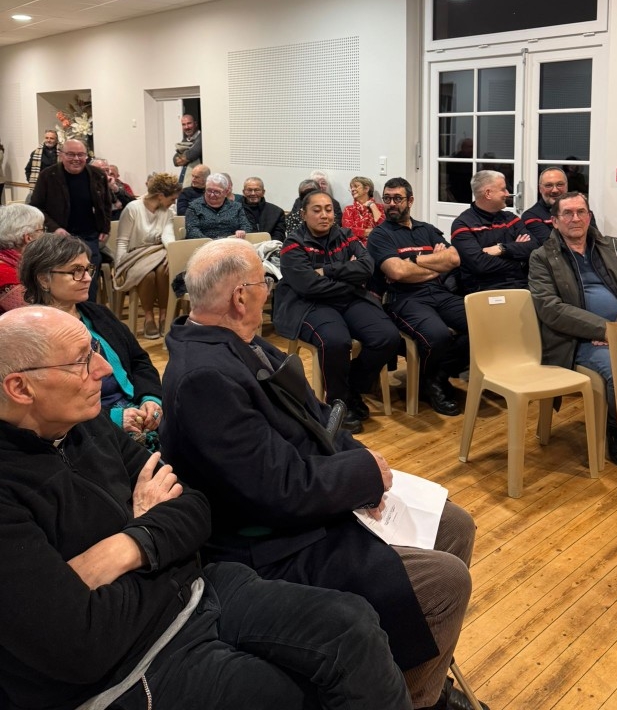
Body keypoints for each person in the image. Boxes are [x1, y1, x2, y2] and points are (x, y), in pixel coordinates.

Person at [0, 304, 412, 710]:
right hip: (127, 668)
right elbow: (82, 646)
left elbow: (196, 507)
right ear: (20, 388)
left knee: (352, 623)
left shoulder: (83, 424)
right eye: (80, 362)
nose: (104, 369)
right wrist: (164, 545)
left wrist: (128, 544)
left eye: (94, 350)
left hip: (199, 591)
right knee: (292, 694)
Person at [161, 239, 486, 710]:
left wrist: (366, 464)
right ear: (240, 297)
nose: (270, 290)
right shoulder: (204, 377)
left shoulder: (242, 344)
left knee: (455, 524)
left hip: (305, 498)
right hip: (269, 544)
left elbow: (317, 419)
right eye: (264, 282)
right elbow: (274, 490)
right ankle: (412, 697)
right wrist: (362, 477)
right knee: (447, 582)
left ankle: (420, 663)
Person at [528, 192, 617, 468]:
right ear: (555, 221)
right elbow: (550, 308)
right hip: (575, 341)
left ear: (589, 216)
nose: (575, 218)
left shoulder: (608, 248)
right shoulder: (542, 257)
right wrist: (602, 331)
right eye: (567, 213)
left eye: (581, 212)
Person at [20, 232, 165, 448]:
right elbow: (47, 406)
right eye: (76, 271)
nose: (87, 278)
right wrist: (113, 418)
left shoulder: (98, 314)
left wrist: (150, 398)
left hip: (137, 414)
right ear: (43, 279)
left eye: (88, 269)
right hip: (87, 435)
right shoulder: (32, 333)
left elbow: (139, 360)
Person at [274, 189, 400, 432]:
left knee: (387, 336)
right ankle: (337, 402)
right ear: (304, 214)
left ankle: (351, 388)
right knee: (335, 341)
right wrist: (348, 278)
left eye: (329, 209)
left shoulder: (345, 235)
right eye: (317, 210)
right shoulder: (294, 244)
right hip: (310, 304)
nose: (324, 215)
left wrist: (328, 271)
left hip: (348, 299)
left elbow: (367, 267)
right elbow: (308, 286)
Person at [367, 177, 469, 417]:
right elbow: (397, 272)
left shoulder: (427, 229)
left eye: (397, 198)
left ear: (410, 200)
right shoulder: (380, 235)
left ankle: (435, 376)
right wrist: (435, 265)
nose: (391, 204)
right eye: (387, 199)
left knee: (481, 323)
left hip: (439, 293)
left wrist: (413, 261)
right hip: (403, 298)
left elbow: (454, 259)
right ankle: (432, 383)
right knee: (438, 335)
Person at [29, 136, 111, 301]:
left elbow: (106, 204)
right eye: (71, 154)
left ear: (86, 156)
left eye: (81, 155)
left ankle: (87, 312)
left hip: (89, 236)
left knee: (88, 281)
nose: (76, 159)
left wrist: (105, 227)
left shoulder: (97, 175)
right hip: (58, 238)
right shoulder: (48, 175)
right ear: (61, 155)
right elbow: (36, 208)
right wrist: (55, 228)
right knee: (62, 280)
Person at [115, 172, 182, 339]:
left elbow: (168, 236)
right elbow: (122, 241)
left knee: (164, 270)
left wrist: (171, 253)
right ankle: (149, 317)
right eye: (172, 198)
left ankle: (164, 315)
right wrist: (119, 267)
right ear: (160, 196)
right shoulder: (133, 208)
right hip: (135, 254)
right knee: (147, 275)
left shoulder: (167, 211)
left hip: (157, 251)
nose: (174, 202)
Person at [451, 170, 539, 293]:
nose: (508, 194)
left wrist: (502, 249)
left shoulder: (511, 218)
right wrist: (519, 262)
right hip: (484, 291)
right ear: (488, 193)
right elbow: (480, 265)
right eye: (503, 189)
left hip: (522, 286)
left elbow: (534, 248)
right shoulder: (462, 224)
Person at [0, 205, 45, 314]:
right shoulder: (5, 273)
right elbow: (32, 315)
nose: (45, 235)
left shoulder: (14, 262)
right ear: (28, 238)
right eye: (42, 229)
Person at [185, 172, 250, 239]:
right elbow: (192, 231)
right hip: (205, 243)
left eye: (217, 192)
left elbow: (246, 226)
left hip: (231, 243)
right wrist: (212, 242)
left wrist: (243, 231)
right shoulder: (194, 207)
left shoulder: (236, 207)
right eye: (209, 191)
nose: (212, 195)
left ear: (226, 192)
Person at [520, 167, 570, 244]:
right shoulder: (531, 216)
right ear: (540, 189)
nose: (555, 190)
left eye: (560, 185)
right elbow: (552, 244)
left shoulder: (580, 210)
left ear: (566, 186)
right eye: (549, 185)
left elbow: (590, 239)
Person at [236, 176, 286, 240]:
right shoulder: (234, 210)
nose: (253, 193)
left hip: (269, 245)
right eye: (249, 190)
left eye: (257, 190)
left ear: (263, 192)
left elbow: (279, 236)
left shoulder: (277, 212)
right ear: (243, 192)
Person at [342, 175, 385, 244]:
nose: (352, 189)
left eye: (356, 186)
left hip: (377, 245)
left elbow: (383, 228)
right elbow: (347, 231)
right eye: (351, 187)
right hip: (356, 247)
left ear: (366, 189)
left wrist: (372, 205)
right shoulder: (349, 209)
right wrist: (368, 232)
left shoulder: (380, 207)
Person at [172, 112, 202, 184]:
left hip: (197, 182)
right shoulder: (185, 140)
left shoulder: (201, 137)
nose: (186, 127)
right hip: (185, 180)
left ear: (195, 124)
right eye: (183, 124)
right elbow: (175, 161)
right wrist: (186, 156)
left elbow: (193, 154)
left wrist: (184, 155)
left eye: (189, 123)